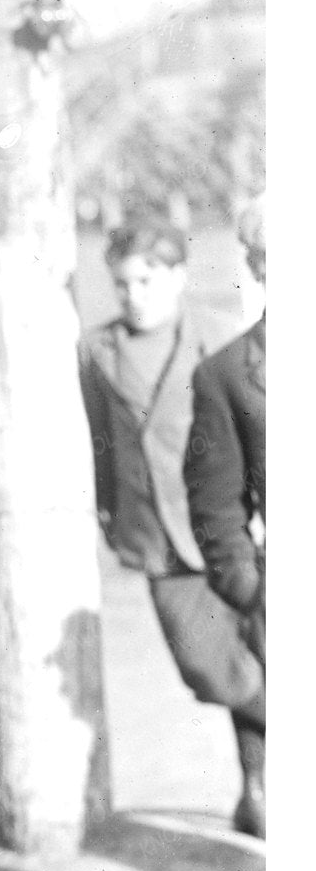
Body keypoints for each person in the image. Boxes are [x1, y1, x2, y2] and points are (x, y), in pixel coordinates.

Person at [77, 217, 265, 833]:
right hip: (156, 536)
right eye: (122, 283)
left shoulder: (217, 337)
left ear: (179, 278)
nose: (135, 295)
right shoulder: (98, 350)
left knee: (261, 653)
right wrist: (108, 509)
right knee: (208, 665)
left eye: (148, 280)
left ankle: (256, 789)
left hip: (227, 529)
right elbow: (100, 441)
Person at [184, 198, 267, 836]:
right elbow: (215, 502)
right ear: (259, 266)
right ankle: (260, 793)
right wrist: (249, 587)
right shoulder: (228, 375)